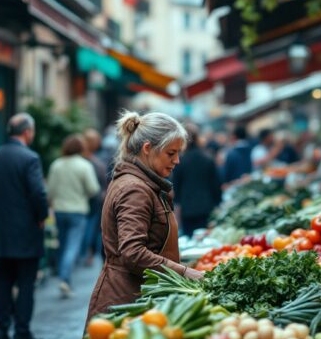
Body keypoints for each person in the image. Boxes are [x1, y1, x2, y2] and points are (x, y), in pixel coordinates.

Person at [86, 111, 204, 321]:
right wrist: (185, 271)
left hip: (137, 295)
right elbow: (133, 252)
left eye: (178, 153)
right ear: (147, 148)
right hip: (127, 300)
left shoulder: (141, 182)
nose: (177, 160)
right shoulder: (135, 189)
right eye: (170, 153)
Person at [0, 113, 48, 339]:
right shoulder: (30, 158)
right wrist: (41, 217)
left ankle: (0, 329)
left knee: (3, 281)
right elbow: (38, 193)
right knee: (26, 283)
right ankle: (22, 331)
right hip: (27, 231)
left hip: (2, 230)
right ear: (27, 132)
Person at [47, 135, 100, 298]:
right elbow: (93, 189)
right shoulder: (84, 166)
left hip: (60, 210)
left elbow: (50, 191)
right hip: (78, 210)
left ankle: (65, 279)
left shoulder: (56, 165)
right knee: (72, 247)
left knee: (63, 245)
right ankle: (65, 279)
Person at [173, 124, 222, 236]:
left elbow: (176, 189)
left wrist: (177, 213)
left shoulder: (180, 161)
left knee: (191, 245)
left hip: (188, 209)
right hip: (207, 207)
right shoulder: (208, 158)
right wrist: (218, 203)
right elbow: (216, 184)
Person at [81, 129, 109, 266]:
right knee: (93, 229)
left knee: (89, 229)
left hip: (86, 200)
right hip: (95, 200)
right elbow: (103, 183)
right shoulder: (99, 161)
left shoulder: (83, 159)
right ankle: (89, 253)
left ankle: (87, 254)